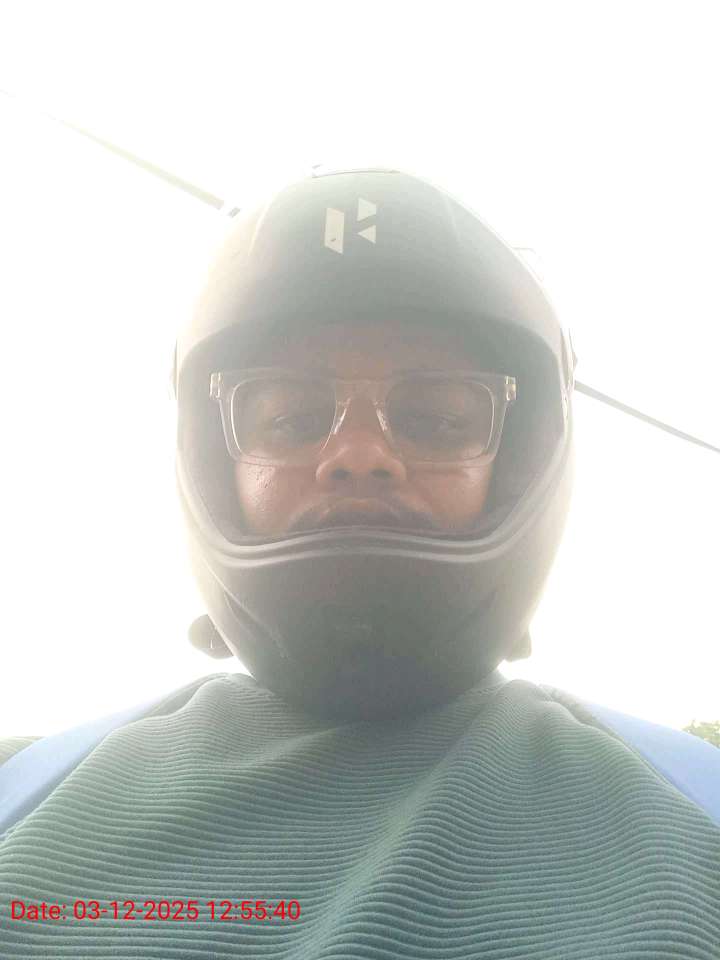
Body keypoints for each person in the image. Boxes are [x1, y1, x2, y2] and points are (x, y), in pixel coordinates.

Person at [1, 167, 718, 958]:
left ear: (519, 464)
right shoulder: (24, 791)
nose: (358, 453)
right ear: (212, 463)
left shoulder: (697, 807)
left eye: (437, 420)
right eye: (289, 417)